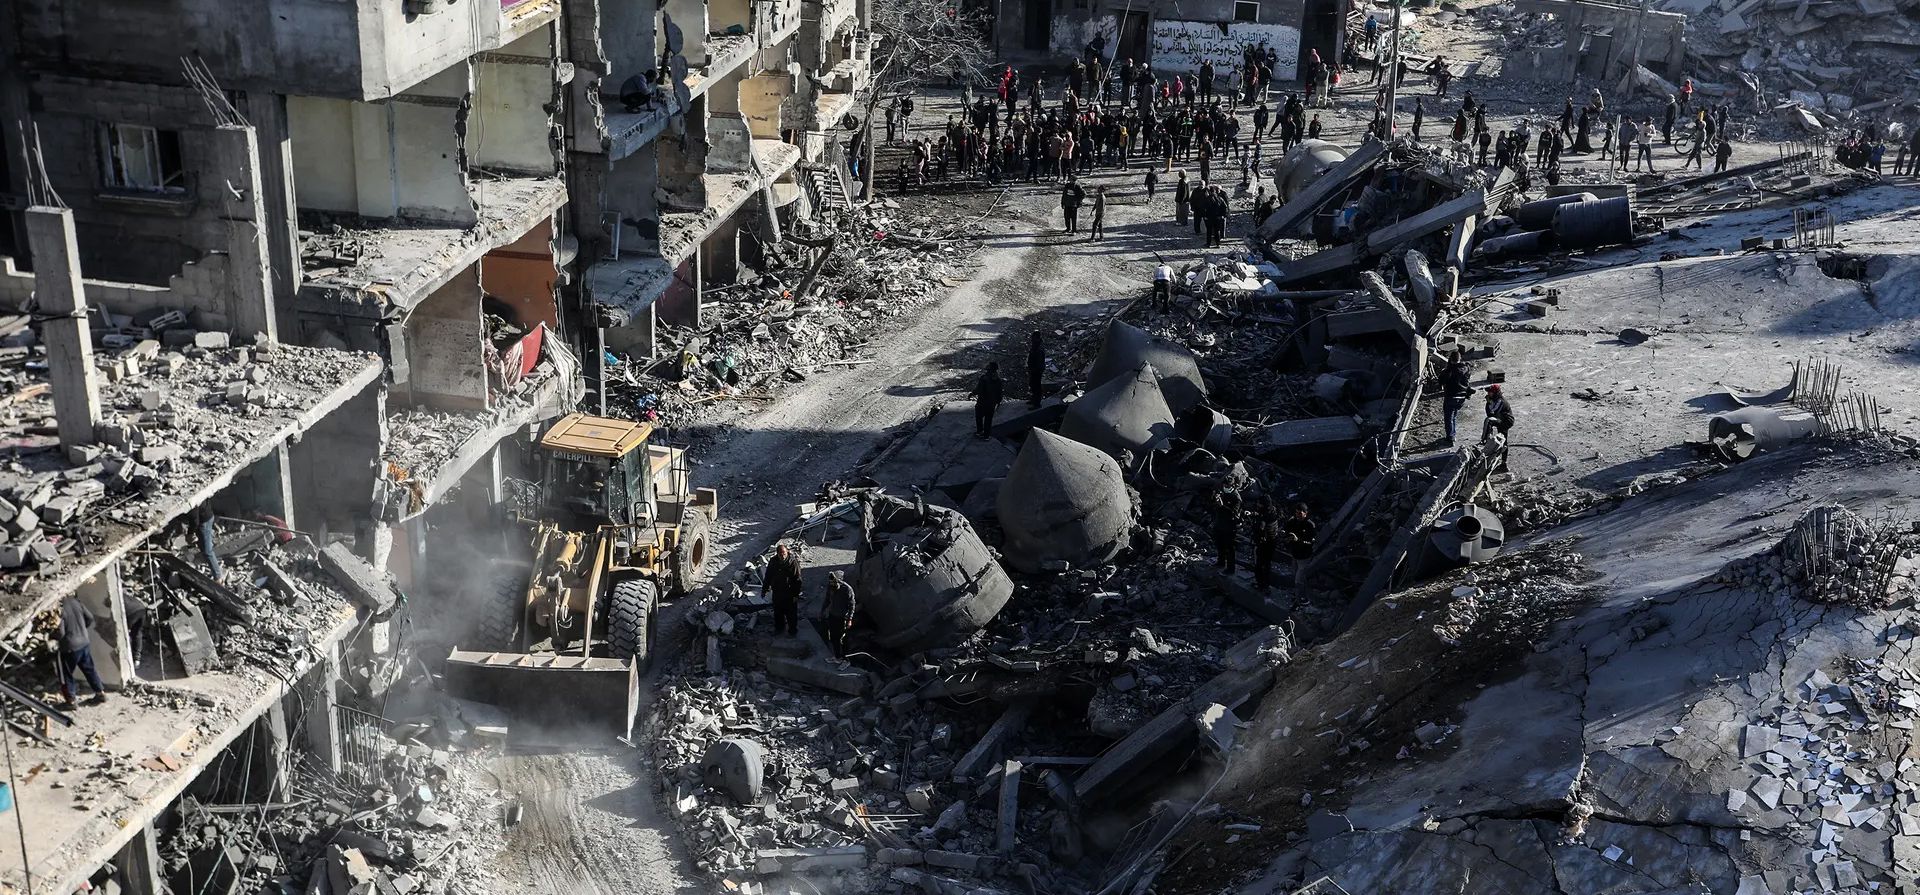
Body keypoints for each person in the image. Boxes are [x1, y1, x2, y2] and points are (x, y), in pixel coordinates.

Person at [56, 596, 107, 708]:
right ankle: (100, 693)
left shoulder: (58, 608)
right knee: (89, 669)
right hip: (84, 642)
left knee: (66, 674)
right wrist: (82, 629)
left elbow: (61, 633)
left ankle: (71, 701)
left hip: (69, 647)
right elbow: (89, 617)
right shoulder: (75, 601)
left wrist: (50, 636)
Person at [763, 544, 803, 637]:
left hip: (789, 593)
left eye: (784, 553)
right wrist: (765, 588)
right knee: (778, 612)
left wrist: (795, 595)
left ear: (787, 552)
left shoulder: (792, 562)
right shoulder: (773, 561)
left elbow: (797, 579)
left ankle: (792, 631)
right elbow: (768, 575)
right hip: (777, 592)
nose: (782, 556)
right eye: (780, 554)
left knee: (791, 614)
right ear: (777, 554)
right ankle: (779, 628)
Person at [1439, 352, 1473, 446]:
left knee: (1449, 417)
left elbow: (1441, 380)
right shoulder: (1466, 368)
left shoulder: (1449, 371)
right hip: (1462, 397)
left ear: (1451, 360)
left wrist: (1447, 368)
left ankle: (1450, 438)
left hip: (1451, 397)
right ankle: (1452, 434)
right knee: (1453, 416)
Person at [821, 571, 856, 661]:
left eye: (833, 582)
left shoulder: (847, 589)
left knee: (842, 639)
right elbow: (827, 599)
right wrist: (822, 610)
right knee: (833, 637)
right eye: (830, 582)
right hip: (832, 615)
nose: (832, 584)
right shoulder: (830, 587)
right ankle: (837, 656)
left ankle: (846, 659)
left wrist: (849, 619)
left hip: (842, 618)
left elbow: (852, 605)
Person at [1283, 503, 1316, 585]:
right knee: (1295, 574)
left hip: (1304, 556)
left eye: (1300, 513)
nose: (1298, 515)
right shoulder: (1293, 521)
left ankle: (1300, 596)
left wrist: (1298, 540)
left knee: (1299, 579)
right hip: (1295, 554)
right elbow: (1286, 531)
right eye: (1297, 513)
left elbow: (1311, 542)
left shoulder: (1310, 525)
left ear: (1305, 513)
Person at [1251, 498, 1280, 589]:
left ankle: (1260, 584)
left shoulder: (1264, 517)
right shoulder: (1273, 511)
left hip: (1264, 543)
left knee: (1259, 565)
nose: (1258, 505)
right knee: (1267, 564)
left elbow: (1261, 529)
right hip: (1272, 541)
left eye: (1259, 504)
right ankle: (1266, 585)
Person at [1211, 487, 1240, 575]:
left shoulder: (1236, 499)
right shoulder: (1222, 495)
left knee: (1230, 549)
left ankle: (1230, 569)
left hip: (1229, 528)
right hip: (1219, 525)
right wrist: (1214, 498)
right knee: (1220, 546)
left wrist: (1222, 506)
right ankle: (1221, 562)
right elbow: (1214, 507)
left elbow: (1234, 514)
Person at [973, 362, 1004, 437]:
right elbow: (1000, 392)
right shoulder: (998, 380)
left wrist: (973, 393)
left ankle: (979, 431)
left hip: (982, 402)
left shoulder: (984, 378)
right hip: (992, 404)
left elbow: (979, 389)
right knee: (988, 420)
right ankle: (986, 435)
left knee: (979, 416)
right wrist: (998, 401)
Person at [1027, 332, 1046, 408]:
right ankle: (1033, 399)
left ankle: (1037, 403)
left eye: (1033, 337)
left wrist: (1035, 369)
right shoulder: (1035, 345)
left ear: (1037, 338)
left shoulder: (1039, 348)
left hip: (1037, 370)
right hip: (1033, 369)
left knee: (1036, 386)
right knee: (1032, 384)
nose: (1032, 339)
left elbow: (1039, 361)